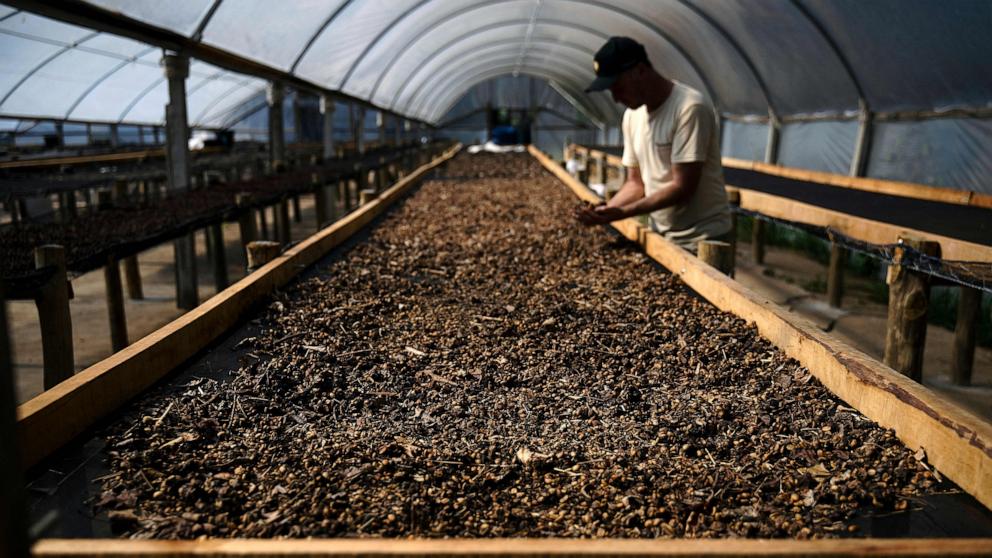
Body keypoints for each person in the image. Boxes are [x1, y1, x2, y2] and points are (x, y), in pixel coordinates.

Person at [574, 36, 731, 251]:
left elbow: (682, 187)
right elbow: (635, 183)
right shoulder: (632, 116)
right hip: (662, 235)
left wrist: (623, 213)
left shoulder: (689, 108)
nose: (616, 98)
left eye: (617, 87)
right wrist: (606, 210)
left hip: (702, 238)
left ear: (639, 71)